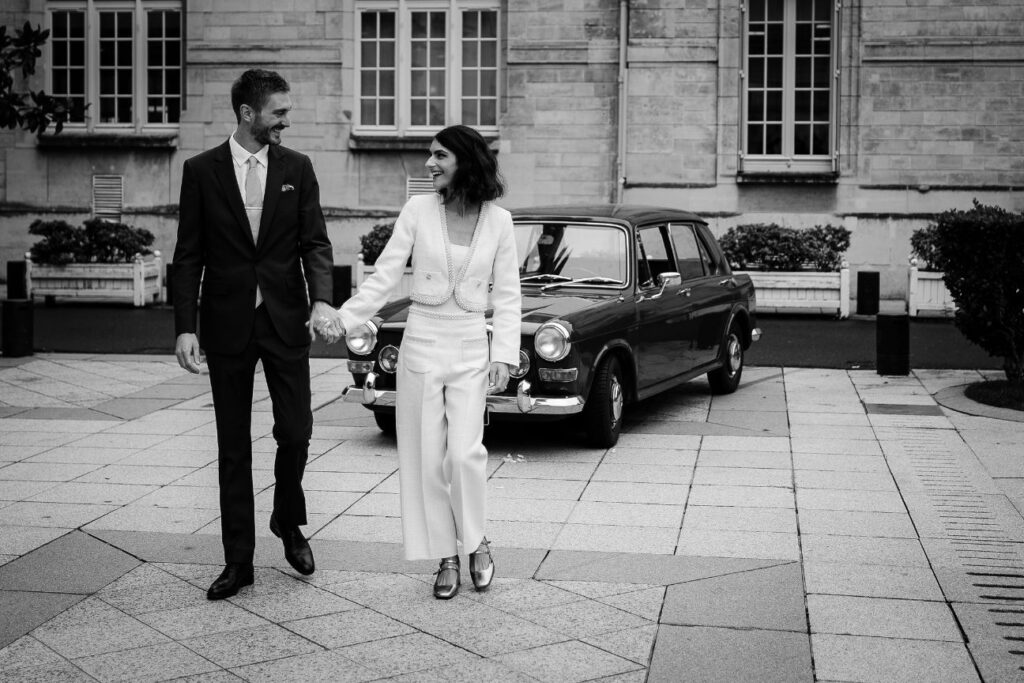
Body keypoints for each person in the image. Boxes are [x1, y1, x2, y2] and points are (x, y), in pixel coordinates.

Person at [325, 125, 521, 599]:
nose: (429, 164)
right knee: (426, 459)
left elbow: (510, 295)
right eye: (429, 156)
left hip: (472, 346)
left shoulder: (499, 221)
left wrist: (505, 356)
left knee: (464, 454)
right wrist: (344, 317)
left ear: (465, 161)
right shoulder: (417, 210)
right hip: (422, 345)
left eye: (439, 156)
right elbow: (384, 276)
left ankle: (476, 542)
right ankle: (446, 556)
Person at [172, 69, 342, 600]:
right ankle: (237, 561)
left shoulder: (298, 167)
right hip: (227, 324)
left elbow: (314, 242)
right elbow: (189, 254)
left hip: (285, 319)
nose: (286, 121)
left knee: (296, 431)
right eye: (278, 112)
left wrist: (321, 298)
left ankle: (287, 521)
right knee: (232, 446)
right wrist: (184, 327)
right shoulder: (201, 171)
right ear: (249, 114)